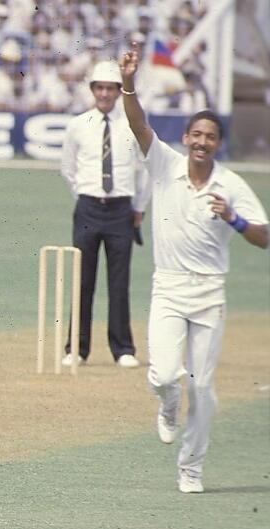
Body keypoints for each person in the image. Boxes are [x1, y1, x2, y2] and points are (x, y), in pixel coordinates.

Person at [118, 45, 269, 493]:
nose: (202, 142)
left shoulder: (231, 185)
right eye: (196, 135)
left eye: (211, 137)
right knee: (165, 375)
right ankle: (167, 406)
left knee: (202, 389)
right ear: (186, 138)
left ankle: (191, 468)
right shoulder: (164, 164)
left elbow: (264, 235)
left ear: (218, 144)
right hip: (168, 287)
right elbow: (138, 123)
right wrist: (129, 83)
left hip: (209, 293)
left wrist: (234, 219)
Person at [58, 60, 150, 368]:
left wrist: (139, 208)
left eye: (110, 88)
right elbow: (68, 169)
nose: (104, 94)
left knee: (119, 282)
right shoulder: (78, 125)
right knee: (82, 280)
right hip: (88, 207)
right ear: (92, 90)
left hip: (122, 209)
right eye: (99, 88)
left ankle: (123, 349)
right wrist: (88, 197)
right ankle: (77, 349)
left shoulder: (131, 124)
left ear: (118, 91)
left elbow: (146, 171)